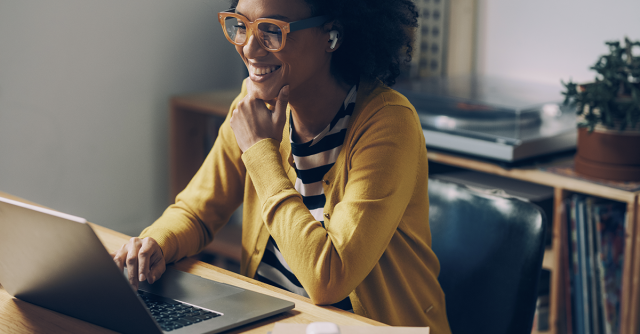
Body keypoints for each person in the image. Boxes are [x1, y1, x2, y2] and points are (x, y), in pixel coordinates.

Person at [112, 0, 451, 331]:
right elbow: (197, 212)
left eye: (272, 31)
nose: (249, 49)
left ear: (331, 36)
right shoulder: (250, 108)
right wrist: (155, 242)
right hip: (276, 321)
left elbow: (328, 278)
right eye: (241, 26)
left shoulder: (388, 123)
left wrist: (261, 153)